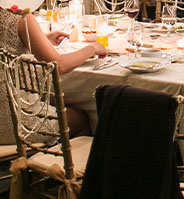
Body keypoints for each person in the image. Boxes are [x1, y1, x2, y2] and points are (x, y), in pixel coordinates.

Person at [0, 8, 107, 140]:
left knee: (54, 104)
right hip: (15, 124)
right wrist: (93, 48)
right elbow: (59, 65)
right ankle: (57, 160)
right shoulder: (21, 17)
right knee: (80, 119)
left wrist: (43, 39)